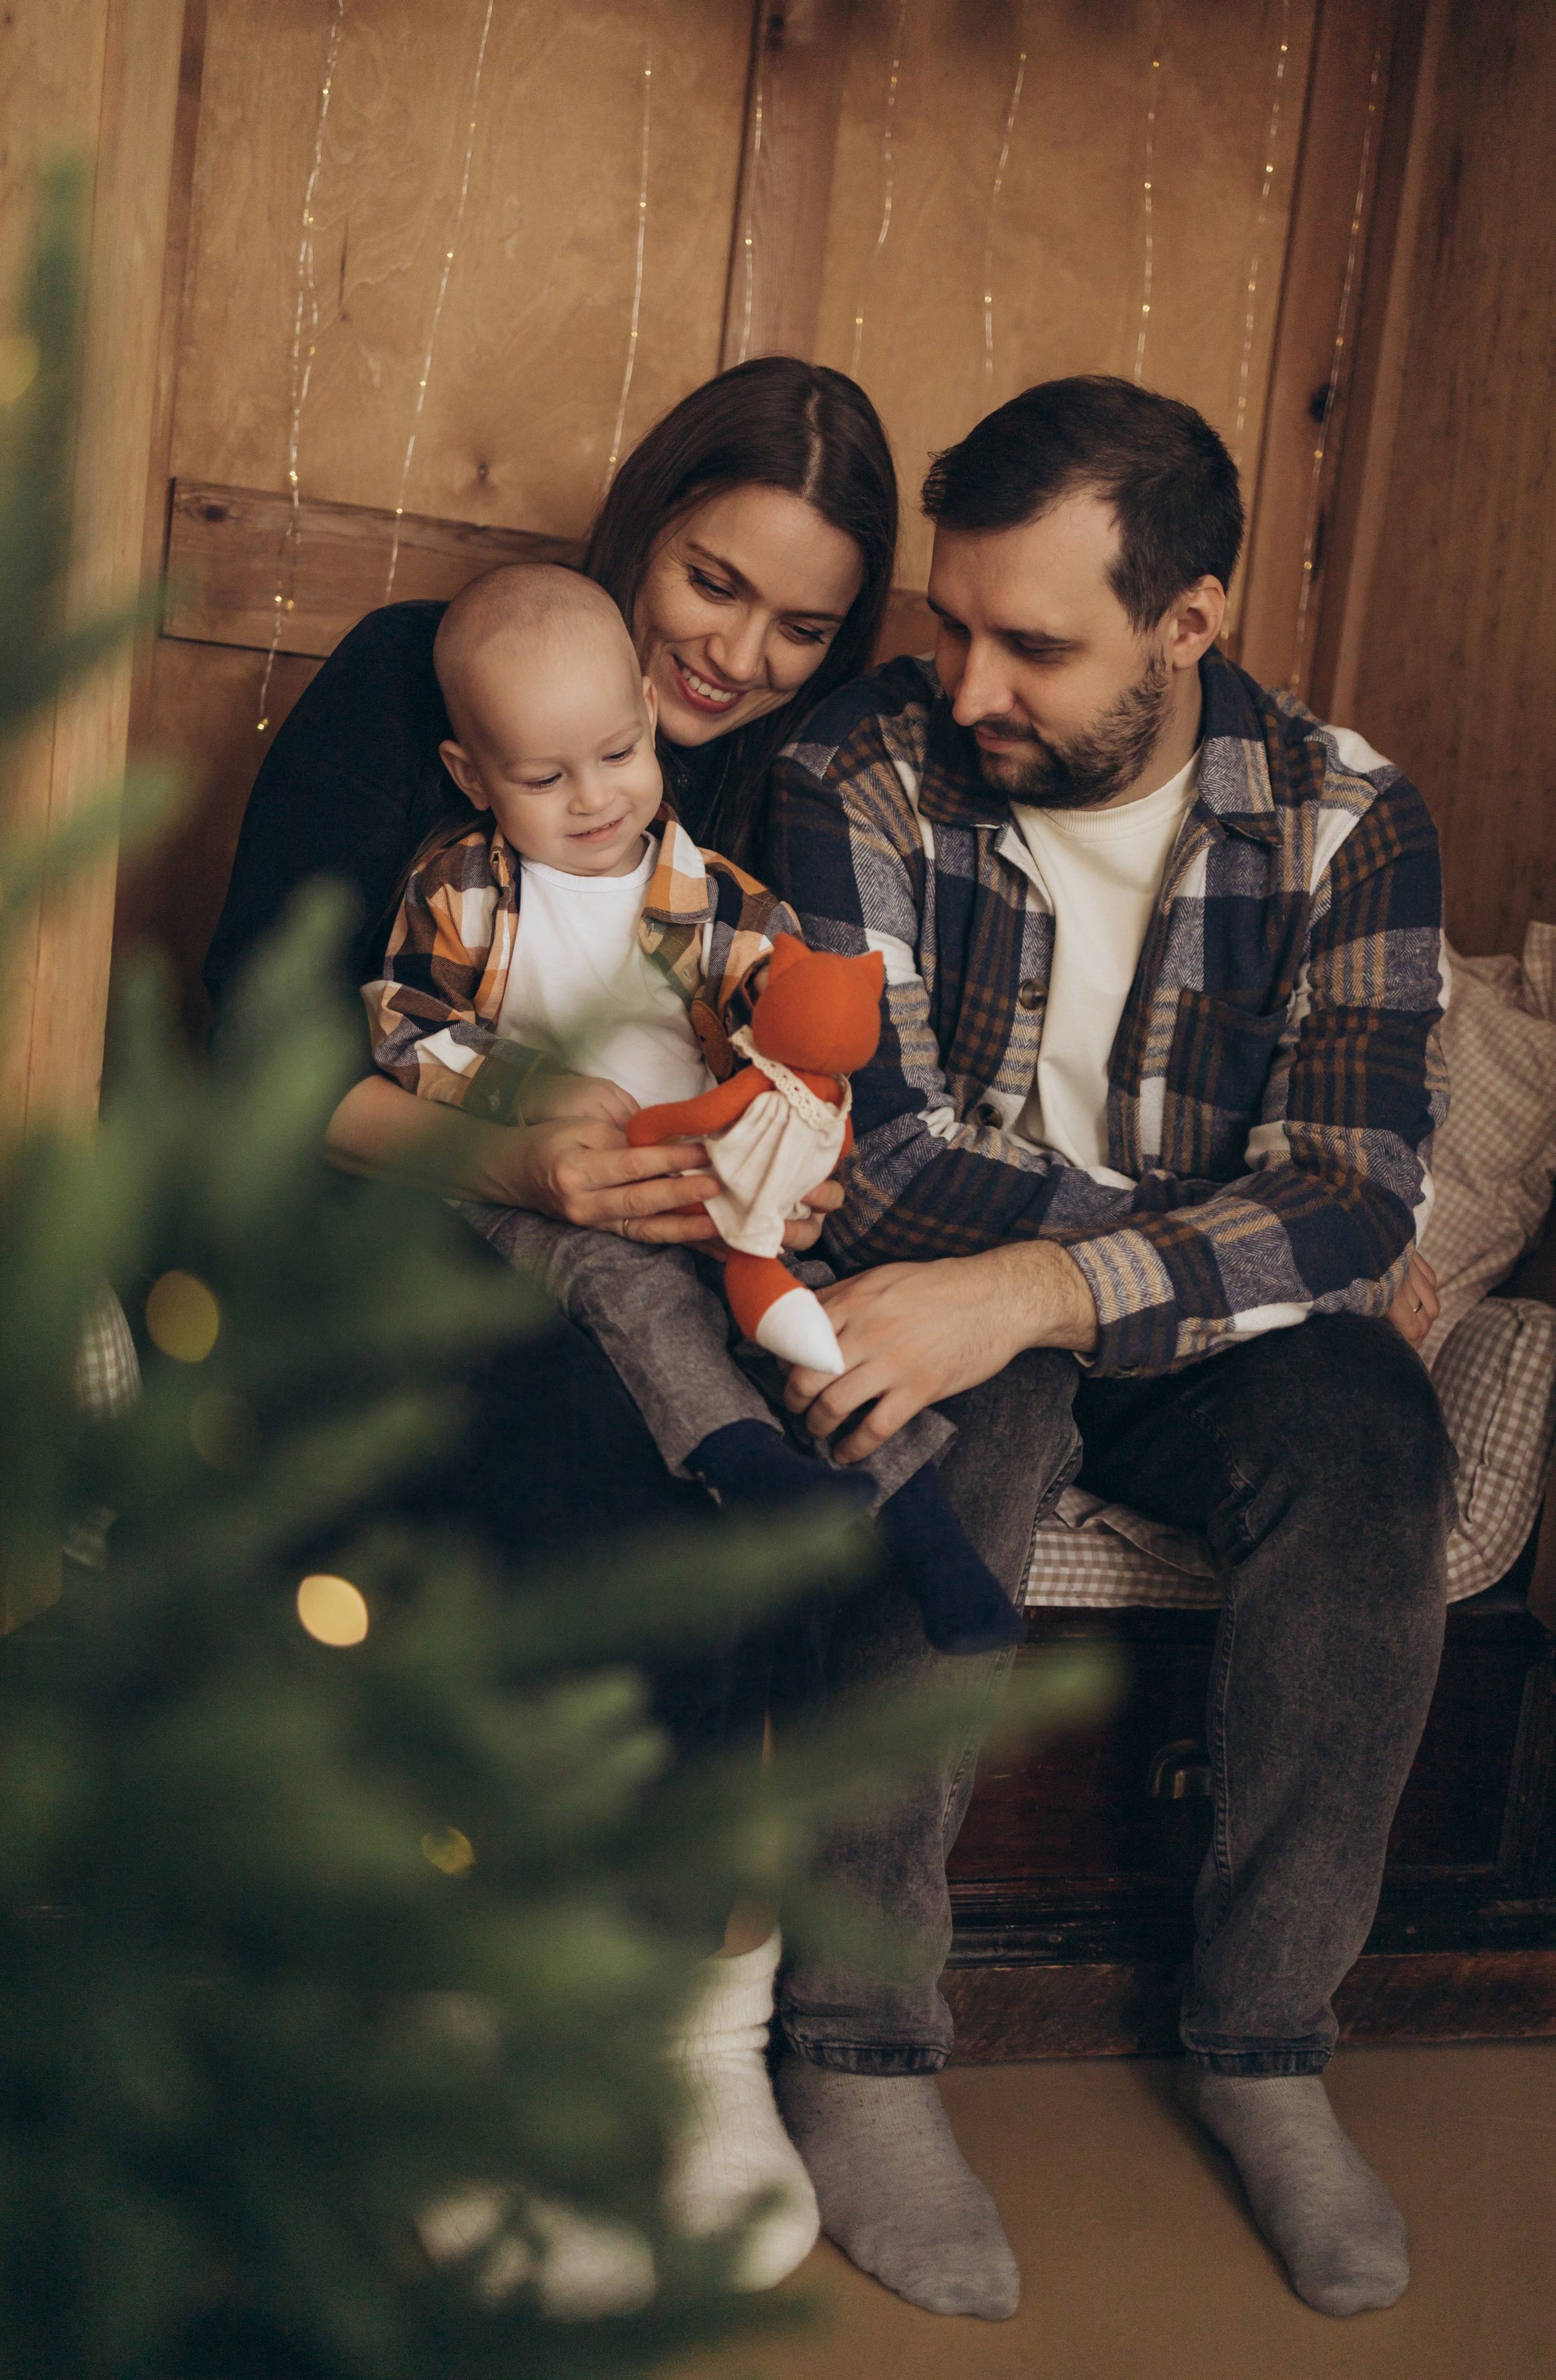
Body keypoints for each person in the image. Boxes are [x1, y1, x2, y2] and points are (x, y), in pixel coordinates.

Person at [201, 360, 1065, 2294]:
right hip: (389, 1218)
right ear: (644, 524)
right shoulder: (425, 680)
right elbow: (250, 1066)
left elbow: (812, 1044)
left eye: (802, 624)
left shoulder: (779, 786)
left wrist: (798, 1171)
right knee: (595, 1442)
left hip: (673, 1247)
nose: (738, 655)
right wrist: (512, 1160)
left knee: (772, 1459)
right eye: (712, 581)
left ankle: (692, 2043)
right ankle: (475, 2036)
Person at [764, 373, 1452, 2322]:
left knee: (1376, 1444)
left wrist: (1065, 1280)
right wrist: (1163, 1257)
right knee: (948, 1425)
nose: (970, 682)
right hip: (972, 1290)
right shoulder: (860, 772)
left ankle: (1266, 2049)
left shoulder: (1350, 820)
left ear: (1191, 622)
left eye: (1035, 644)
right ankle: (862, 2049)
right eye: (950, 623)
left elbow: (1364, 1192)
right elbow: (877, 1157)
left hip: (1162, 1329)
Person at [361, 558, 1013, 1646]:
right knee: (637, 1299)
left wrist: (800, 1112)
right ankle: (743, 1466)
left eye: (619, 754)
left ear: (650, 722)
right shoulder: (462, 888)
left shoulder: (713, 896)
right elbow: (405, 1033)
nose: (594, 797)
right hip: (544, 1202)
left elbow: (794, 1019)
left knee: (817, 1323)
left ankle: (927, 1532)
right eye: (542, 776)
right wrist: (531, 1087)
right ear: (471, 776)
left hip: (709, 1178)